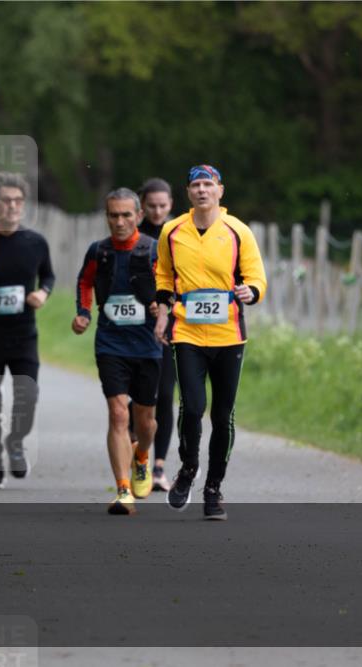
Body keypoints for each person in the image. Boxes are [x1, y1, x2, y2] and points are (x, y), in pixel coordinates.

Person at [154, 165, 267, 520]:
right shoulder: (172, 231)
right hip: (187, 331)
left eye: (208, 184)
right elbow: (163, 273)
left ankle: (214, 488)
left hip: (229, 333)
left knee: (222, 415)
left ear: (220, 190)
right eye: (196, 185)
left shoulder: (238, 231)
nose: (202, 190)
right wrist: (162, 307)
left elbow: (256, 276)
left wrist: (252, 291)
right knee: (192, 405)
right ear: (188, 192)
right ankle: (188, 469)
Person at [73, 188, 161, 515]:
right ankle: (123, 489)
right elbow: (84, 282)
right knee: (117, 413)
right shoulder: (99, 251)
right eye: (114, 215)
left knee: (146, 420)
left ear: (139, 216)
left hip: (148, 345)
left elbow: (171, 287)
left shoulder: (153, 251)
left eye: (127, 215)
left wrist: (161, 307)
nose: (120, 222)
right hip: (110, 343)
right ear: (107, 216)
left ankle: (141, 456)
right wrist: (83, 313)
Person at [0, 172, 55, 489]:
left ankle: (16, 441)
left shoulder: (35, 242)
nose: (12, 206)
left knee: (28, 395)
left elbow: (48, 276)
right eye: (6, 201)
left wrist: (43, 294)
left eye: (18, 201)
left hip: (23, 334)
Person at [137, 177, 177, 491]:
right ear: (142, 206)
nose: (157, 211)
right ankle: (139, 456)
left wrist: (168, 305)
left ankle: (159, 466)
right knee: (139, 398)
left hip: (168, 327)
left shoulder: (179, 236)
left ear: (171, 205)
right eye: (151, 206)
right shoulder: (131, 235)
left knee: (165, 395)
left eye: (163, 206)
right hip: (135, 328)